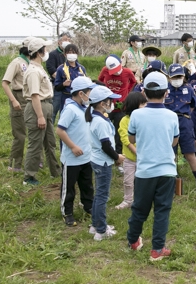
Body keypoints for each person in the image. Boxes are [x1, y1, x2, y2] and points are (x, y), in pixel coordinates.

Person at [127, 72, 179, 261]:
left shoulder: (136, 114)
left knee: (139, 208)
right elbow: (174, 141)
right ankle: (157, 249)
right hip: (166, 171)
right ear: (167, 92)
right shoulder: (172, 115)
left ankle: (133, 240)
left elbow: (132, 138)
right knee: (162, 210)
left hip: (144, 171)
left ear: (144, 92)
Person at [56, 76, 97, 227]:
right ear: (81, 94)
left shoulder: (85, 108)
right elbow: (60, 131)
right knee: (69, 187)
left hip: (86, 156)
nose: (90, 96)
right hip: (72, 158)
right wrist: (72, 146)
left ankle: (88, 206)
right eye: (89, 92)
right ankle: (67, 212)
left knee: (87, 184)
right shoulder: (70, 109)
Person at [86, 85, 125, 241]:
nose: (112, 103)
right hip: (103, 161)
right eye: (110, 100)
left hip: (96, 160)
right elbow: (106, 145)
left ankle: (95, 225)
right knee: (103, 196)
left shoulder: (95, 117)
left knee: (98, 195)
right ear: (102, 103)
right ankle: (101, 230)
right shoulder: (100, 122)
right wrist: (117, 157)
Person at [23, 37, 62, 185]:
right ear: (39, 52)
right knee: (35, 144)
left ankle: (55, 170)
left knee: (50, 141)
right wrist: (39, 116)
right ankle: (29, 176)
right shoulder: (33, 71)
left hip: (46, 105)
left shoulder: (39, 68)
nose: (46, 52)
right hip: (37, 107)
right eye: (44, 49)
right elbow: (34, 95)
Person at [165, 64, 196, 195]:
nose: (177, 79)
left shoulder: (188, 89)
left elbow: (193, 105)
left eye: (179, 76)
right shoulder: (165, 90)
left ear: (183, 77)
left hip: (184, 122)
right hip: (169, 122)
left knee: (190, 154)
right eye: (174, 77)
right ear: (169, 77)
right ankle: (170, 184)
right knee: (170, 155)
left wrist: (185, 116)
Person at [1, 36, 34, 172]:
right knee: (20, 134)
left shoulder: (32, 63)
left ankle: (35, 162)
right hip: (19, 97)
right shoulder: (17, 62)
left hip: (30, 97)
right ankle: (15, 165)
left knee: (33, 131)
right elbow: (5, 83)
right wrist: (14, 101)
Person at [116, 92, 147, 210]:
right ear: (134, 105)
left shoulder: (146, 119)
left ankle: (142, 201)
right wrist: (136, 152)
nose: (145, 105)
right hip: (129, 158)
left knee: (143, 181)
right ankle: (128, 200)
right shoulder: (124, 120)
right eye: (142, 103)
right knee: (128, 181)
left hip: (144, 158)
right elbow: (125, 138)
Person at [97, 55, 136, 151]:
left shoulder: (127, 72)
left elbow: (133, 81)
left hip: (121, 105)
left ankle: (118, 150)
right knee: (105, 125)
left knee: (119, 127)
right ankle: (106, 147)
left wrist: (127, 91)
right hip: (107, 104)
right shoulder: (105, 70)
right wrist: (105, 90)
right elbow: (99, 81)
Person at [54, 43, 87, 115]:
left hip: (80, 98)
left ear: (77, 54)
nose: (71, 54)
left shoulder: (81, 68)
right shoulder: (61, 69)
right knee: (66, 116)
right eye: (69, 53)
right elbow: (56, 87)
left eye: (74, 53)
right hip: (66, 97)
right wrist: (63, 84)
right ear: (65, 55)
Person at [46, 32, 71, 123]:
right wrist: (63, 79)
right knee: (53, 110)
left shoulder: (71, 55)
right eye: (65, 40)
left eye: (68, 40)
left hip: (69, 88)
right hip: (57, 87)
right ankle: (49, 131)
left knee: (65, 112)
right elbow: (51, 70)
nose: (67, 41)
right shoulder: (53, 54)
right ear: (59, 42)